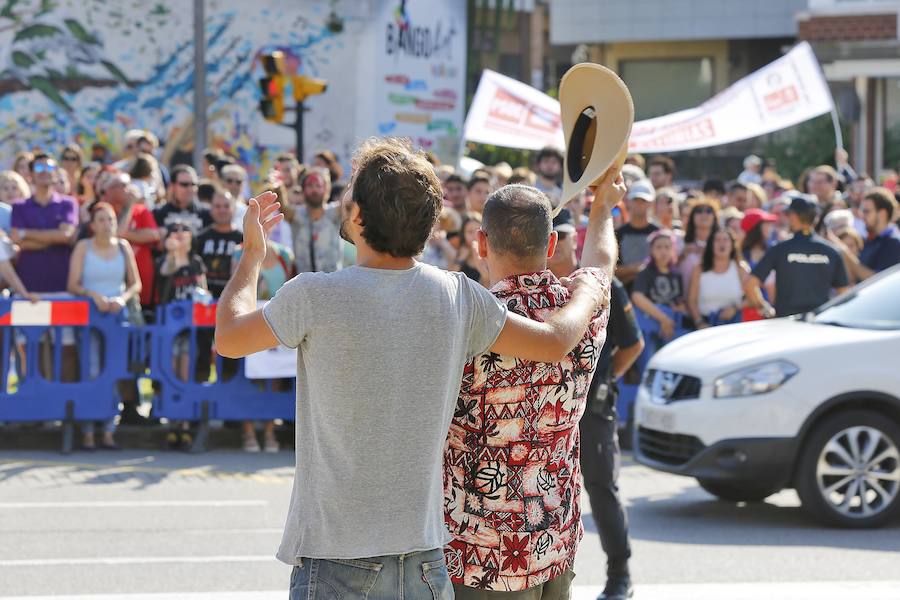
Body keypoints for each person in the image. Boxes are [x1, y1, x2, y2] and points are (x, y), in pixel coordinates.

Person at [214, 137, 606, 599]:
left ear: (358, 216)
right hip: (425, 560)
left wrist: (251, 257)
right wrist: (591, 288)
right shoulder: (458, 296)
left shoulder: (313, 296)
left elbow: (229, 337)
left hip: (338, 557)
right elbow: (556, 340)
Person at [444, 173, 621, 598]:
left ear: (481, 244)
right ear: (551, 246)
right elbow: (601, 261)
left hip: (479, 556)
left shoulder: (464, 322)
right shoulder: (583, 307)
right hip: (553, 540)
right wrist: (602, 209)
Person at [66, 202, 141, 450]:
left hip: (117, 319)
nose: (107, 224)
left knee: (114, 372)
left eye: (110, 219)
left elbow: (135, 283)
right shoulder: (83, 247)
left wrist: (121, 298)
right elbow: (73, 284)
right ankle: (88, 431)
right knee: (91, 370)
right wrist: (93, 295)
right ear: (92, 224)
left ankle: (109, 430)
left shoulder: (123, 246)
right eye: (101, 219)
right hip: (90, 318)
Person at [748, 194, 849, 318]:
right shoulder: (832, 251)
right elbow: (844, 294)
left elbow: (750, 285)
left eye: (788, 214)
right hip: (818, 325)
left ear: (794, 217)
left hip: (786, 325)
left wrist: (766, 311)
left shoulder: (780, 249)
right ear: (815, 219)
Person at [10, 154, 79, 294]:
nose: (45, 171)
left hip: (62, 286)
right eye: (39, 167)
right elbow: (17, 241)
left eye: (49, 166)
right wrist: (56, 238)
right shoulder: (19, 206)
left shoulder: (68, 203)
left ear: (55, 172)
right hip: (28, 289)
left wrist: (27, 233)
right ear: (30, 174)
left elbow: (66, 236)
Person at [689, 229, 770, 328]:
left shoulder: (740, 269)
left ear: (732, 245)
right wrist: (699, 322)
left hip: (733, 325)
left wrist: (735, 308)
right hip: (705, 325)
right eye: (717, 240)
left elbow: (754, 297)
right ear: (711, 245)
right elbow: (691, 300)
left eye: (725, 240)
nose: (721, 243)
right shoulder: (699, 269)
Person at [281, 167, 342, 273]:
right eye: (310, 185)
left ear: (326, 189)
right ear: (303, 189)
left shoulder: (335, 213)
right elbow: (282, 206)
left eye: (318, 185)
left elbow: (350, 203)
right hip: (304, 285)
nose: (314, 190)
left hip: (333, 284)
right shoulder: (296, 215)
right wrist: (279, 185)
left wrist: (355, 176)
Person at [631, 229, 685, 342]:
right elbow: (637, 297)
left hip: (672, 325)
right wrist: (663, 319)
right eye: (659, 247)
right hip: (650, 325)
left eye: (667, 247)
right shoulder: (645, 272)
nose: (663, 251)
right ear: (651, 250)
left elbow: (680, 301)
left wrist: (680, 308)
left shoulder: (677, 274)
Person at [836, 188, 900, 281]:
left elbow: (879, 281)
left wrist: (845, 253)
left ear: (882, 214)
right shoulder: (870, 240)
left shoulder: (893, 243)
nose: (862, 216)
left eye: (866, 211)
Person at [615, 179, 658, 287]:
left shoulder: (658, 233)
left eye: (643, 200)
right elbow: (611, 269)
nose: (639, 204)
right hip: (625, 292)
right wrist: (634, 269)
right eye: (636, 199)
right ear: (628, 201)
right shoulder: (618, 234)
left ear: (651, 203)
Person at [153, 165, 211, 238]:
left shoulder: (208, 213)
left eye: (193, 184)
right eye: (184, 184)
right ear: (172, 186)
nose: (190, 189)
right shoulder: (158, 213)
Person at [678, 199, 719, 294]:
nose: (704, 215)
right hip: (683, 297)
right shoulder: (679, 241)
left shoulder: (722, 243)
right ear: (692, 217)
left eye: (709, 211)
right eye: (699, 211)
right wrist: (682, 255)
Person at [450, 213, 489, 283]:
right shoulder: (459, 254)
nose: (475, 235)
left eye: (478, 231)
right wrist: (460, 259)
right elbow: (449, 280)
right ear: (463, 235)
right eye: (470, 232)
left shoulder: (489, 257)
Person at [220, 163, 249, 230]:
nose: (234, 185)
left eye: (238, 182)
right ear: (222, 182)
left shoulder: (246, 211)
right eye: (229, 181)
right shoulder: (214, 208)